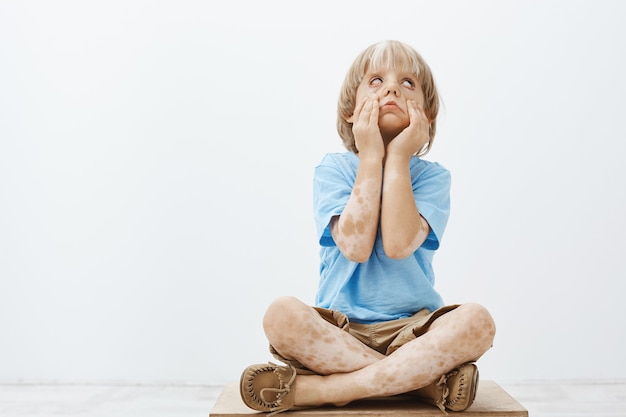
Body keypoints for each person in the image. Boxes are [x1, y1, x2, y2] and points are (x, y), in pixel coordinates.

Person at [239, 40, 496, 415]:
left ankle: (325, 390)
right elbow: (356, 246)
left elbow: (397, 244)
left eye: (408, 83)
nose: (392, 88)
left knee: (478, 321)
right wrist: (372, 154)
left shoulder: (433, 178)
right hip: (338, 332)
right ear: (349, 111)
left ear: (426, 114)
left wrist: (398, 157)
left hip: (414, 333)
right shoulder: (333, 170)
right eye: (376, 80)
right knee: (280, 314)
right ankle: (423, 385)